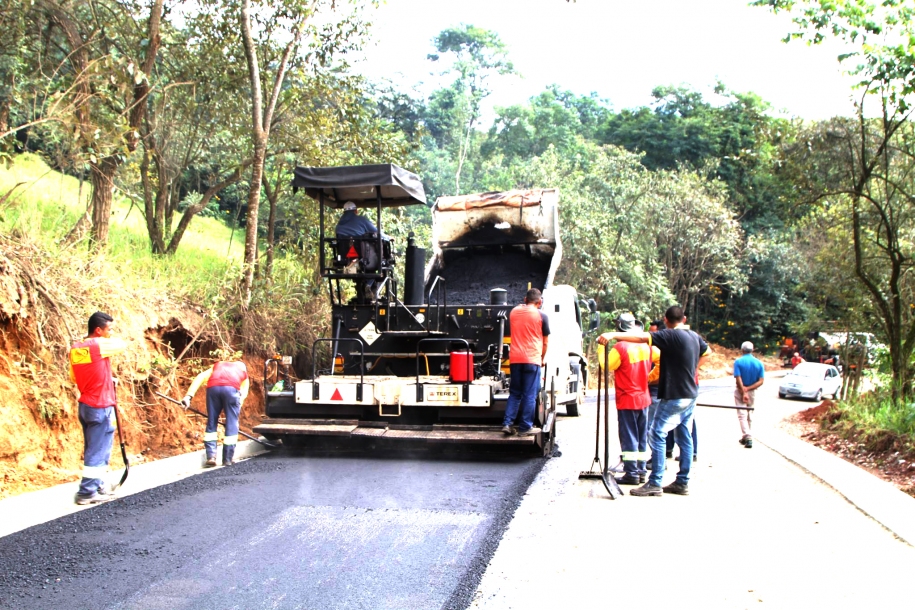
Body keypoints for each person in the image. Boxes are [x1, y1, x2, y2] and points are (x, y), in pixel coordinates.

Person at [598, 305, 709, 497]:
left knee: (656, 434)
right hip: (690, 394)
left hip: (671, 395)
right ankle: (682, 481)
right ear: (683, 318)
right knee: (684, 435)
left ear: (666, 320)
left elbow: (641, 338)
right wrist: (691, 372)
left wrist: (611, 335)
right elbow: (707, 354)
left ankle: (655, 482)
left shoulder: (669, 336)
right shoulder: (694, 336)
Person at [69, 311, 128, 505]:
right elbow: (122, 345)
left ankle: (98, 485)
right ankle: (87, 492)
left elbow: (75, 376)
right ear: (98, 330)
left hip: (86, 405)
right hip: (101, 406)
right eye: (108, 330)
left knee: (93, 448)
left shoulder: (77, 348)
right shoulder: (99, 344)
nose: (111, 333)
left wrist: (105, 378)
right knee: (98, 451)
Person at [601, 313, 657, 485]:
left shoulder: (620, 347)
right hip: (644, 397)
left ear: (619, 327)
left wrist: (600, 347)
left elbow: (606, 365)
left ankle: (631, 472)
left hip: (627, 398)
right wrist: (653, 376)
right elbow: (660, 358)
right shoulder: (646, 346)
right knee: (641, 436)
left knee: (629, 436)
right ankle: (640, 471)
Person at [182, 358, 249, 467]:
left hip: (213, 388)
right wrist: (235, 412)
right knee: (232, 424)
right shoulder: (243, 372)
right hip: (231, 390)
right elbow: (243, 393)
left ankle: (211, 456)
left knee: (212, 421)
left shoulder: (218, 366)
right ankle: (227, 459)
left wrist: (189, 396)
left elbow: (200, 377)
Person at [502, 288, 550, 437]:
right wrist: (542, 359)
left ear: (524, 299)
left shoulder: (514, 312)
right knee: (529, 395)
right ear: (540, 302)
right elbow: (545, 342)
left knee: (515, 393)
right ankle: (524, 427)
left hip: (515, 359)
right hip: (532, 359)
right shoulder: (542, 315)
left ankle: (507, 424)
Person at [734, 341, 765, 448]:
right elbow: (761, 381)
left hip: (740, 390)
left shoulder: (738, 362)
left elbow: (738, 378)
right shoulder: (759, 363)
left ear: (742, 350)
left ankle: (747, 436)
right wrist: (749, 389)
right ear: (753, 350)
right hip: (752, 391)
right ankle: (746, 436)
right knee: (749, 413)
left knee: (742, 414)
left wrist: (743, 391)